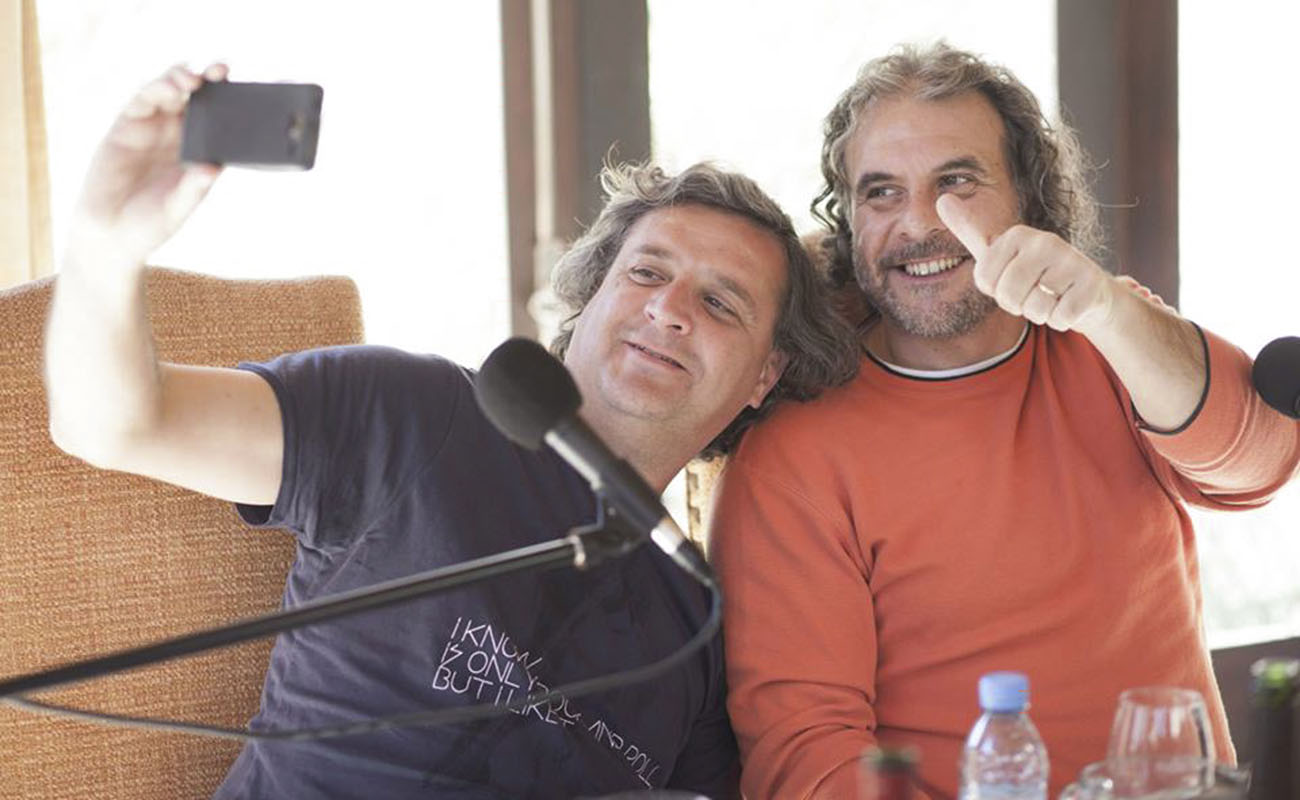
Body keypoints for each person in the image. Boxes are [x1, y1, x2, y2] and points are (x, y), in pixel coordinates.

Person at [43, 64, 858, 799]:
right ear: (588, 298)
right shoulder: (416, 412)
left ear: (765, 375)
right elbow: (117, 423)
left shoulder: (697, 627)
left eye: (719, 303)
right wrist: (107, 243)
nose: (669, 310)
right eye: (646, 272)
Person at [709, 42, 1300, 799]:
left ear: (1027, 195)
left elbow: (1258, 466)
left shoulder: (1107, 333)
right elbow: (806, 755)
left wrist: (1107, 309)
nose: (919, 224)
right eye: (881, 192)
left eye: (956, 181)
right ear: (851, 219)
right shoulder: (794, 453)